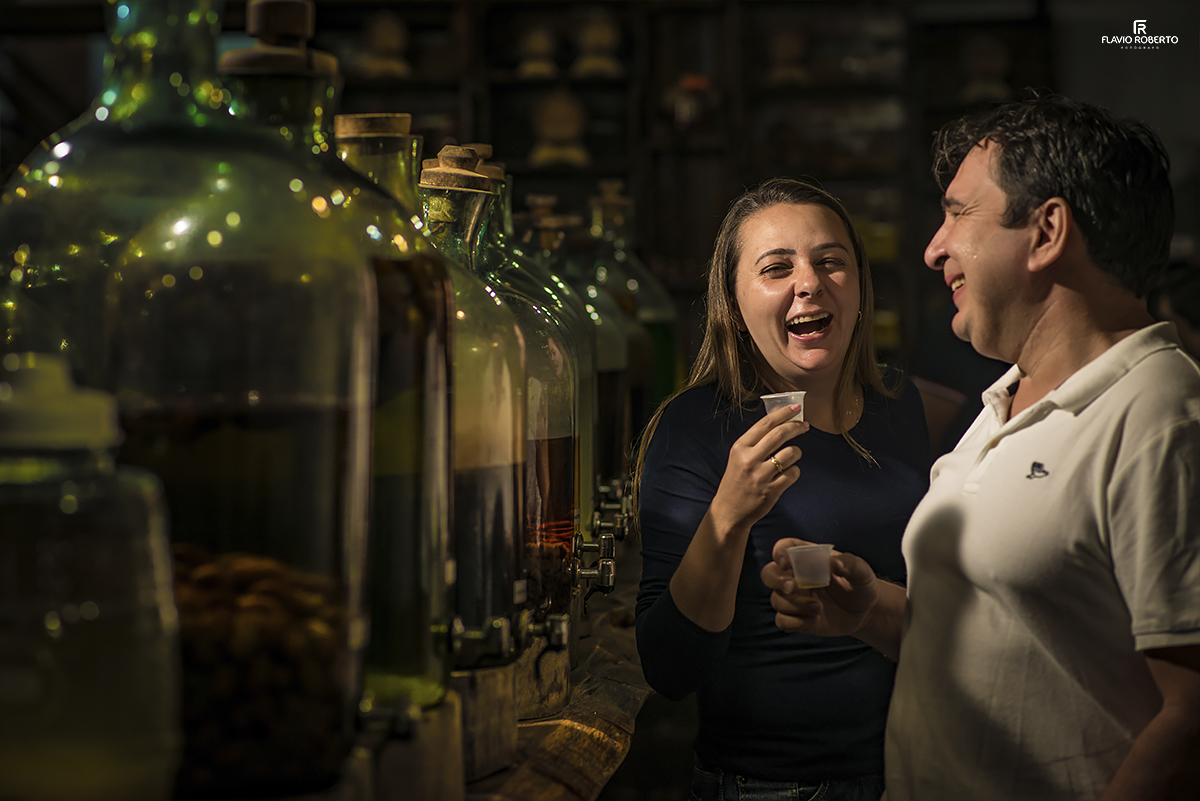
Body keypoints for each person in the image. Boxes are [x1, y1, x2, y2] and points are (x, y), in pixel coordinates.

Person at [762, 94, 1200, 801]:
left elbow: (1191, 716)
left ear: (1047, 231)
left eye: (959, 212)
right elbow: (1015, 634)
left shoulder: (1160, 412)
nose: (935, 247)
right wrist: (870, 609)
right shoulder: (1002, 401)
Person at [633, 177, 931, 801]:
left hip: (913, 770)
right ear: (735, 306)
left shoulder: (904, 406)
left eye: (831, 262)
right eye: (776, 268)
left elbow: (948, 608)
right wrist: (728, 517)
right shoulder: (696, 428)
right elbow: (670, 669)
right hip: (769, 787)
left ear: (859, 286)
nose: (809, 283)